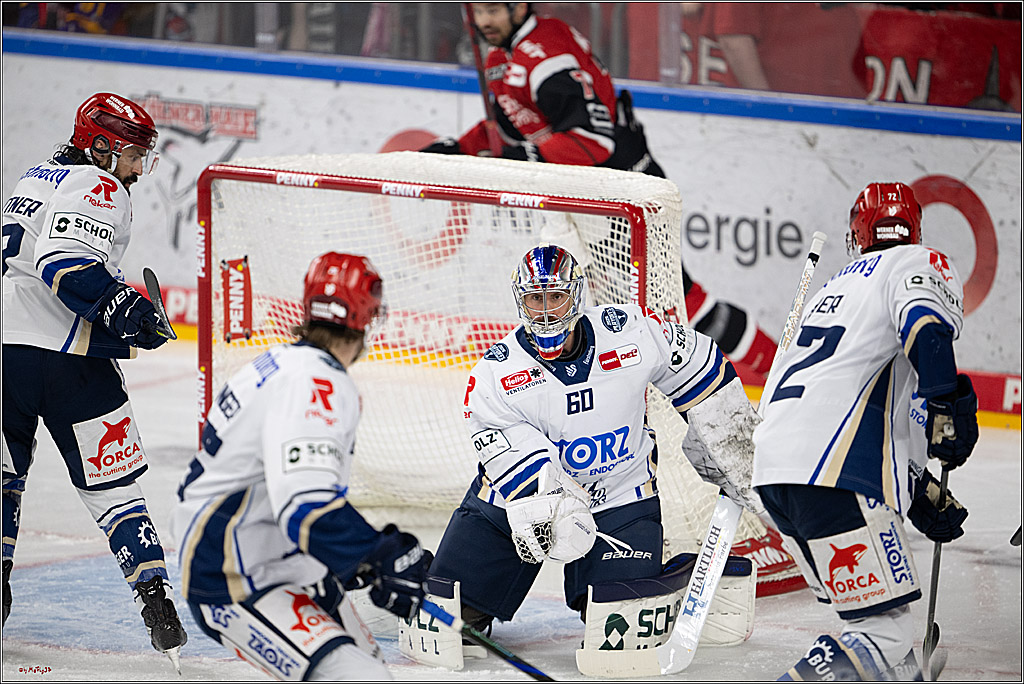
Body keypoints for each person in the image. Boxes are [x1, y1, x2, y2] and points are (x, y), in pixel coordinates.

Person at [423, 243, 765, 645]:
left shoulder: (630, 331)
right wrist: (556, 504)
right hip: (514, 507)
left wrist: (734, 444)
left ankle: (680, 577)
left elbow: (699, 365)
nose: (547, 311)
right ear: (521, 301)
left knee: (617, 627)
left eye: (556, 297)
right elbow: (513, 462)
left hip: (621, 497)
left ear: (576, 295)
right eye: (535, 299)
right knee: (448, 621)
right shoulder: (497, 373)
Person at [422, 1, 779, 383]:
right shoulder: (501, 57)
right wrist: (459, 147)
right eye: (477, 11)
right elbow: (507, 130)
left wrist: (516, 157)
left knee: (678, 303)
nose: (483, 21)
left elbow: (592, 141)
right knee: (596, 303)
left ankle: (774, 364)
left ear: (520, 6)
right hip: (585, 200)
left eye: (492, 10)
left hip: (627, 194)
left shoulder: (548, 56)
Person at [752, 182, 978, 680]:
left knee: (884, 641)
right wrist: (947, 401)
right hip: (835, 472)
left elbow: (850, 393)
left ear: (857, 232)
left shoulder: (834, 289)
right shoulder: (916, 263)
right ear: (914, 229)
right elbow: (925, 328)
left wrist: (917, 493)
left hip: (776, 474)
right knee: (886, 635)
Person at [171, 252, 431, 681]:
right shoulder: (316, 382)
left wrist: (364, 562)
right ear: (365, 318)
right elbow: (303, 504)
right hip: (235, 573)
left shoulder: (280, 363)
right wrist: (379, 553)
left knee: (368, 664)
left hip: (279, 557)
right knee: (357, 676)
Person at [2, 93, 186, 665]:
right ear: (101, 146)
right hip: (64, 358)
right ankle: (154, 594)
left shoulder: (34, 178)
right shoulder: (97, 185)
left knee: (6, 480)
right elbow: (63, 264)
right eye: (133, 154)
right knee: (113, 486)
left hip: (5, 355)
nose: (137, 168)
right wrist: (126, 312)